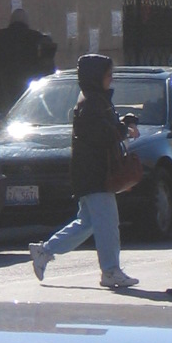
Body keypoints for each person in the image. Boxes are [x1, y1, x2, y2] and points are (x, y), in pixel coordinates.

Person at [29, 54, 140, 291]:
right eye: (108, 74)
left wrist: (124, 122)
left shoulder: (94, 100)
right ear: (95, 76)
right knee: (108, 224)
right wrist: (123, 129)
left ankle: (44, 251)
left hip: (89, 175)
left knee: (87, 223)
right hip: (96, 174)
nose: (111, 79)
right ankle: (110, 271)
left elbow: (106, 128)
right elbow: (102, 135)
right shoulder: (90, 104)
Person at [0, 7, 56, 131]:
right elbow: (48, 69)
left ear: (10, 21)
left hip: (1, 95)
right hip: (28, 95)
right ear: (27, 22)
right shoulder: (36, 38)